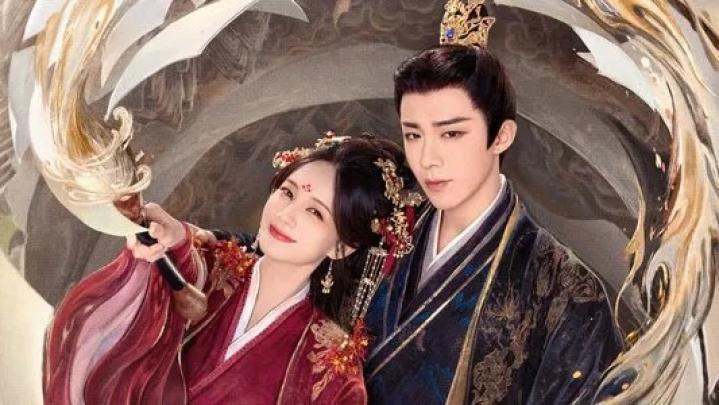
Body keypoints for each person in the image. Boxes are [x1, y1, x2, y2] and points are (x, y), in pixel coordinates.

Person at [44, 135, 421, 404]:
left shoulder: (331, 367)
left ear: (342, 246)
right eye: (288, 192)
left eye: (315, 212)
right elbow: (177, 268)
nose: (287, 214)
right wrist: (156, 242)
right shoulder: (206, 266)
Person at [361, 18, 623, 405]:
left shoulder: (564, 286)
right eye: (413, 134)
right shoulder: (383, 230)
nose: (427, 158)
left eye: (451, 133)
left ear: (501, 136)